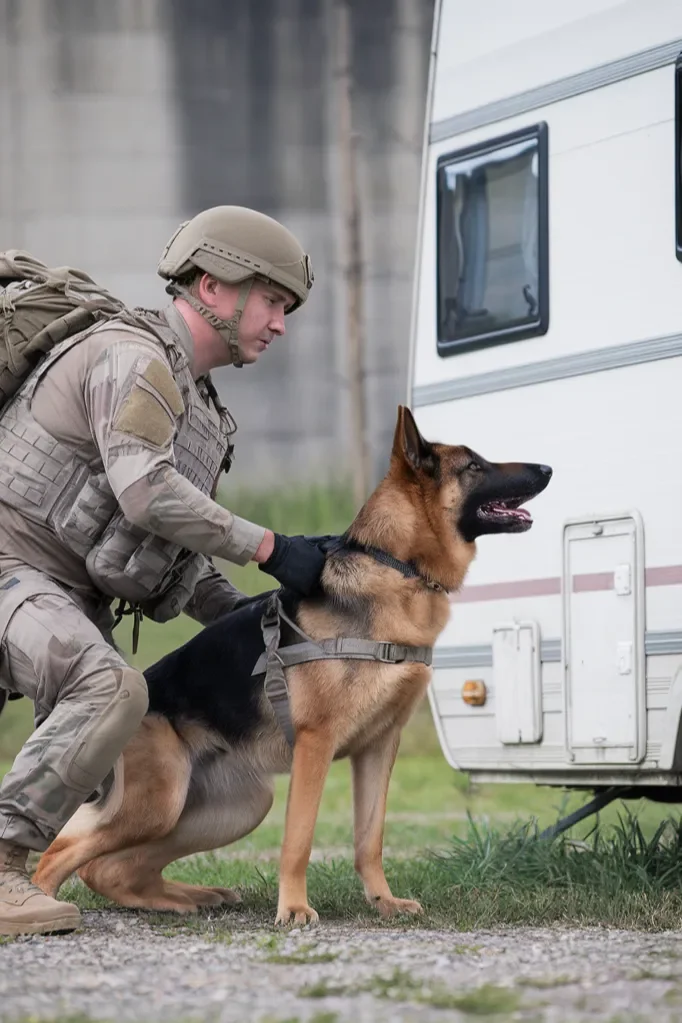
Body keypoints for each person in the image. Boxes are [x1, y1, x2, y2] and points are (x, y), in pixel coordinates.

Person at [0, 206, 328, 936]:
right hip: (13, 564)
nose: (281, 323)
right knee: (107, 687)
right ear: (214, 286)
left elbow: (166, 555)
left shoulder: (198, 405)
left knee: (112, 721)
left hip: (52, 589)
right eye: (273, 300)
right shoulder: (131, 357)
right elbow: (145, 490)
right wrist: (271, 547)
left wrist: (258, 621)